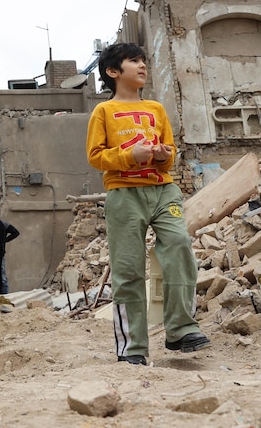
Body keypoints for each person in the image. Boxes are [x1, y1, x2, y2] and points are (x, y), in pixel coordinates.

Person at [86, 42, 210, 366]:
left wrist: (164, 155)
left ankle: (181, 330)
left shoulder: (156, 109)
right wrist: (131, 155)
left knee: (180, 244)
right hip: (124, 195)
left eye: (143, 60)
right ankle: (133, 348)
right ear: (113, 72)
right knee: (127, 270)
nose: (142, 65)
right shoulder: (103, 112)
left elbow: (169, 152)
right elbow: (96, 156)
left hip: (163, 189)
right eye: (133, 61)